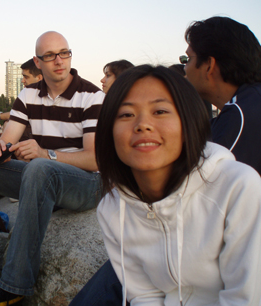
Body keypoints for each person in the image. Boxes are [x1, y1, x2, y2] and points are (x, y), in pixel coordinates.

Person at [0, 31, 105, 306]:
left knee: (39, 167)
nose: (59, 61)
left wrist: (45, 154)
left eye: (64, 53)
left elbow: (95, 159)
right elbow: (10, 135)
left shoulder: (92, 97)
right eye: (50, 56)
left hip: (86, 183)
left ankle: (14, 285)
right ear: (38, 62)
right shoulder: (28, 95)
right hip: (43, 178)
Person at [84, 65, 261, 305]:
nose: (143, 124)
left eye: (160, 111)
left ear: (187, 123)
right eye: (126, 114)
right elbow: (144, 296)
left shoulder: (238, 188)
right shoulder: (112, 209)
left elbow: (245, 299)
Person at [181, 16, 261, 174]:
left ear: (209, 66)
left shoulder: (239, 115)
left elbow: (207, 181)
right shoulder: (249, 103)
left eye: (187, 59)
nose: (184, 69)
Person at [0, 58, 43, 140]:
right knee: (8, 124)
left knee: (8, 124)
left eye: (26, 77)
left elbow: (26, 113)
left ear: (39, 78)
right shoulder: (27, 94)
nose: (22, 81)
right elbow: (20, 112)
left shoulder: (48, 96)